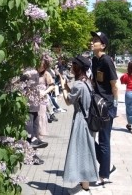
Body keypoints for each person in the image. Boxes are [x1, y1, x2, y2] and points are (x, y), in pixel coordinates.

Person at [59, 55, 98, 194]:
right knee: (85, 152)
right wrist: (67, 87)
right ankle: (84, 185)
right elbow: (76, 96)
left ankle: (84, 187)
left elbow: (69, 101)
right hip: (88, 120)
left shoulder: (79, 84)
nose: (71, 67)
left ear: (78, 67)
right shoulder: (87, 82)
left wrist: (63, 87)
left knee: (81, 152)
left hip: (81, 121)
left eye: (73, 65)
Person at [90, 31, 118, 186]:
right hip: (96, 103)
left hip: (106, 105)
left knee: (104, 140)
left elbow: (114, 85)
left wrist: (115, 105)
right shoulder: (95, 60)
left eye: (96, 40)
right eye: (93, 39)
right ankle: (107, 166)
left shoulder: (107, 60)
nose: (92, 42)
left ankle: (104, 175)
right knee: (88, 135)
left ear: (103, 45)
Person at [20, 68, 48, 165]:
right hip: (28, 105)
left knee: (35, 132)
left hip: (35, 104)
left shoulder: (34, 70)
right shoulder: (25, 72)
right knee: (29, 133)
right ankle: (29, 156)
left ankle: (34, 155)